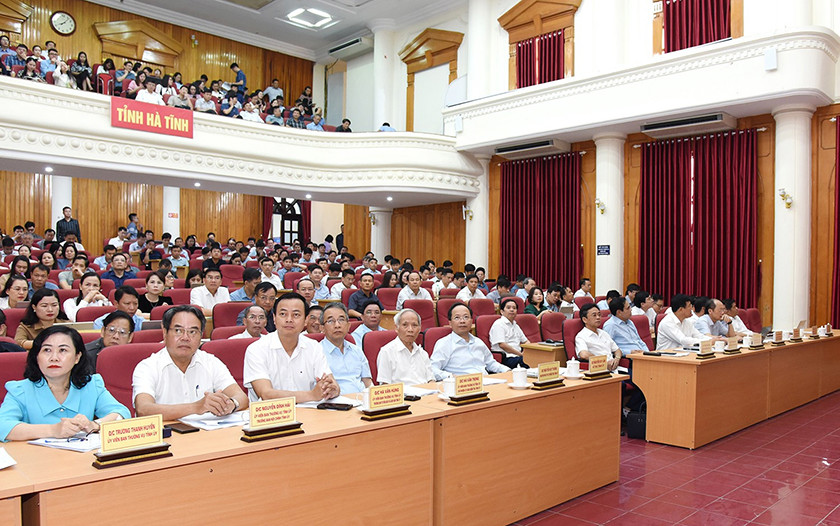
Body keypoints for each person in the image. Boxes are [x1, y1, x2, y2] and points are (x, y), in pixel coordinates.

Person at [0, 326, 130, 442]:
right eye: (47, 350)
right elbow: (3, 426)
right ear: (37, 357)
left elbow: (121, 413)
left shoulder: (91, 385)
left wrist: (95, 425)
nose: (54, 358)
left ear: (77, 357)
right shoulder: (20, 390)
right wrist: (53, 430)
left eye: (62, 350)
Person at [132, 305, 248, 419]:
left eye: (192, 332)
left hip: (205, 430)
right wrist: (197, 407)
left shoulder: (211, 362)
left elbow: (241, 397)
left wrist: (231, 404)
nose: (185, 338)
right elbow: (143, 409)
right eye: (178, 331)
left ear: (201, 336)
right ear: (165, 333)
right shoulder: (147, 367)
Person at [243, 292, 340, 402]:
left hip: (308, 410)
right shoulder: (256, 349)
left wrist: (332, 389)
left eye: (296, 315)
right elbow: (266, 394)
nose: (289, 319)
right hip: (271, 411)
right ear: (274, 318)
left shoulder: (314, 347)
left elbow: (330, 382)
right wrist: (312, 395)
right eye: (283, 314)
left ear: (306, 320)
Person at [431, 303, 509, 379]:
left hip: (485, 381)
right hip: (462, 384)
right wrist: (451, 377)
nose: (462, 321)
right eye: (457, 318)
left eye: (466, 317)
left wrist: (507, 370)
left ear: (471, 321)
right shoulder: (444, 343)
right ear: (450, 323)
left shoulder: (478, 342)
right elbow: (433, 369)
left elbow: (491, 363)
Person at [319, 303, 372, 394]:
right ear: (322, 328)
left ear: (348, 326)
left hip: (362, 399)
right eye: (331, 321)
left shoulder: (357, 350)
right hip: (335, 400)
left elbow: (367, 382)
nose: (337, 325)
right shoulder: (317, 353)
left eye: (341, 320)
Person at [376, 308, 434, 385]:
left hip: (426, 391)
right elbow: (385, 386)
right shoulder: (387, 352)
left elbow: (431, 380)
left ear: (419, 329)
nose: (410, 330)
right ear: (396, 328)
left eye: (414, 325)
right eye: (405, 325)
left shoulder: (422, 353)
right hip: (401, 392)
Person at [574, 303, 622, 372]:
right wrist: (603, 362)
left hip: (615, 369)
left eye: (599, 315)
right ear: (585, 319)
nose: (598, 317)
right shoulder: (581, 336)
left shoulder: (604, 333)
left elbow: (617, 350)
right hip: (600, 371)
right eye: (594, 315)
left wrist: (617, 359)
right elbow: (584, 354)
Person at [489, 298, 530, 369]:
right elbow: (502, 345)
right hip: (506, 358)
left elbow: (526, 341)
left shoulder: (515, 325)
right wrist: (520, 354)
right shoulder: (498, 324)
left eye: (514, 308)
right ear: (502, 311)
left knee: (538, 358)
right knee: (528, 361)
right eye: (508, 308)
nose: (512, 310)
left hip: (518, 356)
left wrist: (529, 352)